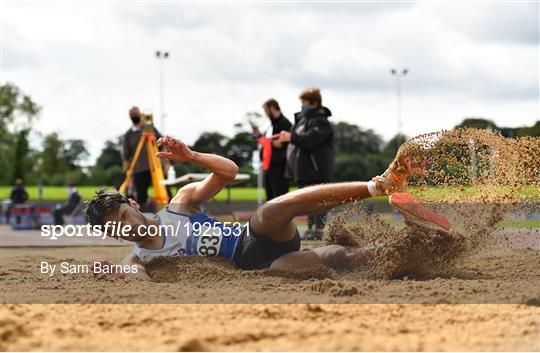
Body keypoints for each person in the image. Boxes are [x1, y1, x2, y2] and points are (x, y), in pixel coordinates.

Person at [85, 135, 451, 280]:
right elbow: (138, 283)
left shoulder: (179, 206)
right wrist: (112, 274)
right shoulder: (137, 260)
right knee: (334, 258)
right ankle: (423, 242)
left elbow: (228, 171)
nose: (124, 226)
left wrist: (192, 156)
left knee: (268, 212)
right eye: (113, 228)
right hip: (254, 267)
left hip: (252, 236)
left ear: (132, 203)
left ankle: (380, 184)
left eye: (121, 215)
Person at [278, 86, 335, 240]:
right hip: (302, 170)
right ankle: (311, 229)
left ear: (315, 103)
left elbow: (309, 140)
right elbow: (296, 140)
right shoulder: (302, 121)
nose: (302, 107)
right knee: (308, 202)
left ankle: (319, 230)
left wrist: (291, 137)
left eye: (305, 103)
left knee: (319, 202)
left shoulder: (321, 123)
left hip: (317, 170)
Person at [122, 106, 169, 211]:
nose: (135, 116)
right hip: (139, 169)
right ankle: (143, 218)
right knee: (141, 195)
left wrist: (166, 163)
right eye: (133, 115)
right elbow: (126, 156)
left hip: (157, 167)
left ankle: (171, 214)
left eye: (136, 114)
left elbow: (162, 145)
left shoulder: (151, 129)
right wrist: (128, 174)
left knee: (165, 191)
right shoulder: (128, 135)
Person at [251, 99, 292, 200]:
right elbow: (268, 140)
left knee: (280, 197)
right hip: (268, 164)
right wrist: (257, 135)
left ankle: (283, 216)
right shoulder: (271, 125)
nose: (265, 113)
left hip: (279, 166)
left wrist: (269, 142)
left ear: (272, 108)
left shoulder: (285, 123)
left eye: (266, 110)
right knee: (269, 196)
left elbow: (282, 144)